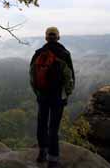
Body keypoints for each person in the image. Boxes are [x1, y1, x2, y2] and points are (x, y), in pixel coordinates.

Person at [29, 27, 75, 168]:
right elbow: (70, 77)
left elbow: (32, 76)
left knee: (42, 123)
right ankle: (53, 159)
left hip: (43, 96)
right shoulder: (64, 54)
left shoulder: (38, 53)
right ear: (58, 37)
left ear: (46, 37)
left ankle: (42, 152)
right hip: (57, 97)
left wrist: (38, 93)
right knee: (53, 128)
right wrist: (66, 94)